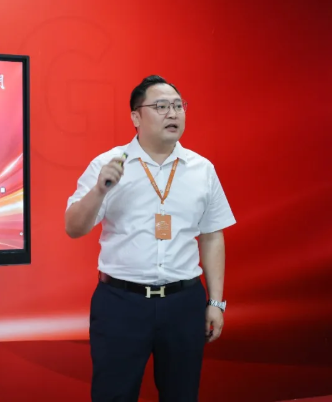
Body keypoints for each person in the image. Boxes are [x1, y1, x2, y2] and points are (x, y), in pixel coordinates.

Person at [65, 75, 236, 402]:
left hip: (183, 303)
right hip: (121, 303)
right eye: (161, 106)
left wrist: (216, 302)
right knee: (113, 395)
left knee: (182, 395)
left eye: (178, 106)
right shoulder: (108, 164)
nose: (173, 113)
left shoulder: (202, 169)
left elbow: (212, 235)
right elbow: (73, 227)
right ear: (136, 116)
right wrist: (99, 190)